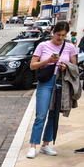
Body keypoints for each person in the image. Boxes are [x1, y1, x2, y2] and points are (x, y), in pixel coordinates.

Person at [27, 21, 78, 159]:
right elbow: (33, 66)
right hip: (46, 82)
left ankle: (46, 144)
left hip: (61, 82)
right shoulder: (43, 46)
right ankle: (33, 146)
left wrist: (65, 66)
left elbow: (75, 68)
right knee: (41, 115)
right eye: (58, 35)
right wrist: (49, 61)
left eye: (63, 35)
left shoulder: (70, 47)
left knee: (54, 115)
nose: (60, 38)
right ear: (53, 33)